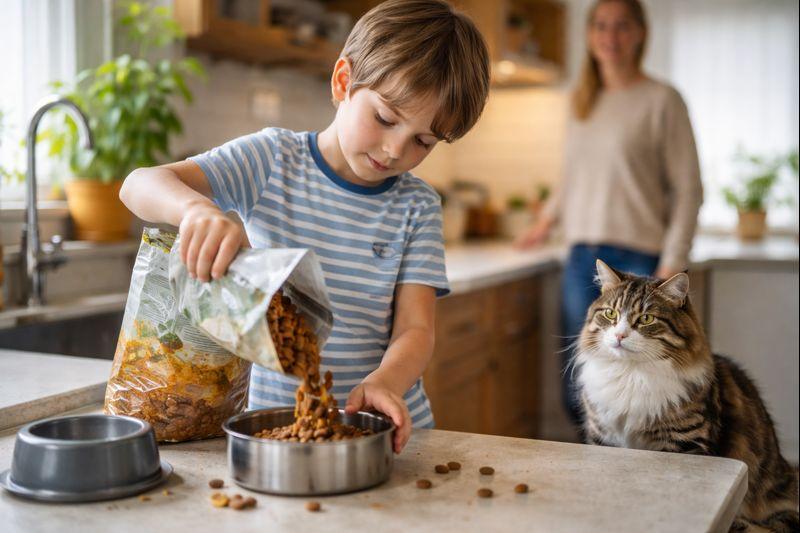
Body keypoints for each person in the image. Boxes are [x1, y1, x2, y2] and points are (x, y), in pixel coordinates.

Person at [119, 0, 490, 453]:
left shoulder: (418, 206)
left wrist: (385, 383)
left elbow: (416, 329)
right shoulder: (272, 160)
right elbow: (139, 184)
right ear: (343, 81)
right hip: (279, 429)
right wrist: (196, 210)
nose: (396, 150)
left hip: (380, 429)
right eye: (385, 118)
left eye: (423, 141)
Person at [516, 0, 703, 425]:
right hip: (584, 258)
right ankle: (597, 465)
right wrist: (544, 223)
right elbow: (571, 176)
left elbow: (689, 188)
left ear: (640, 33)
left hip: (642, 262)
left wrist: (672, 264)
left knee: (644, 396)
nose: (610, 36)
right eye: (601, 26)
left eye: (621, 26)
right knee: (579, 389)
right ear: (589, 35)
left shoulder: (662, 100)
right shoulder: (581, 100)